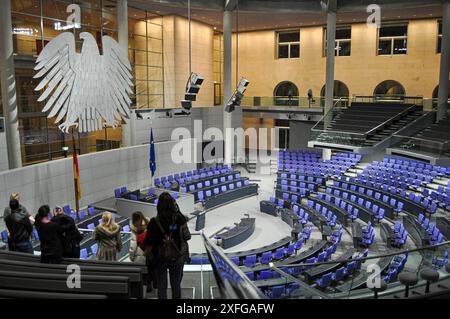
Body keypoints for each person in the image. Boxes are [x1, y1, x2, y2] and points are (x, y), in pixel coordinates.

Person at [144, 192, 187, 299]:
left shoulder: (154, 222)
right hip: (176, 256)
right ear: (173, 205)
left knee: (162, 287)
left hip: (160, 258)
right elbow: (186, 234)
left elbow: (149, 243)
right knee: (176, 285)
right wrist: (176, 208)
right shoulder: (178, 219)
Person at [129, 211, 156, 291]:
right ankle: (150, 285)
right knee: (150, 271)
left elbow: (133, 246)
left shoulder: (135, 229)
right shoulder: (149, 225)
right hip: (150, 253)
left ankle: (144, 288)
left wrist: (131, 257)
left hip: (139, 255)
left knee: (142, 274)